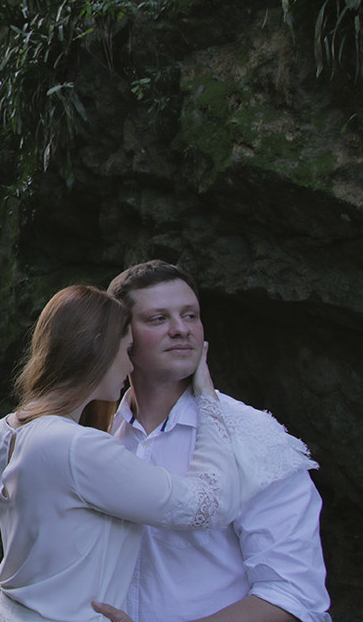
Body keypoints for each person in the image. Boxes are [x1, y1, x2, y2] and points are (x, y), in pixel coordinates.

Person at [0, 285, 243, 622]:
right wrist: (208, 398)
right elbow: (205, 505)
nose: (129, 365)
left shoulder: (2, 432)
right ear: (99, 348)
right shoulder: (77, 446)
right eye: (127, 349)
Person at [91, 261, 330, 622]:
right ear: (121, 337)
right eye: (158, 319)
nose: (180, 329)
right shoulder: (96, 434)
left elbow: (293, 595)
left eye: (190, 315)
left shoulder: (255, 438)